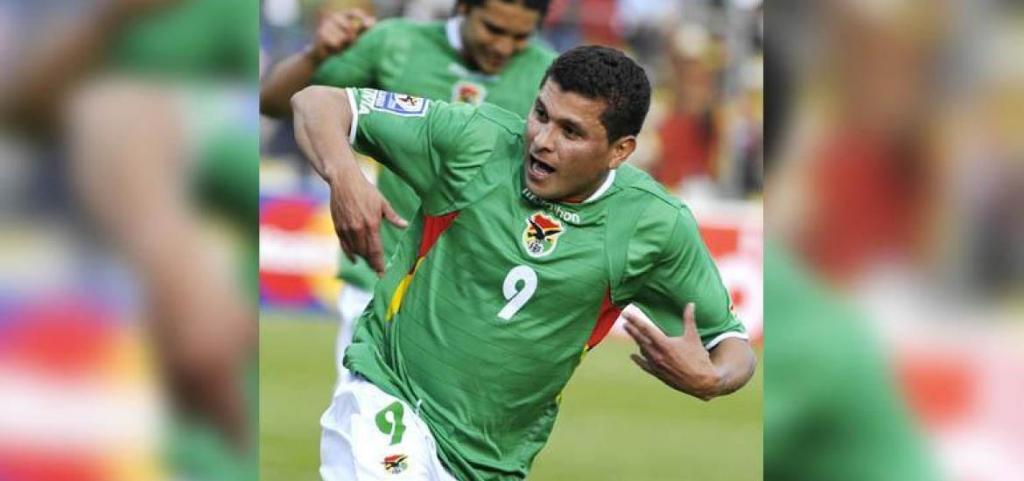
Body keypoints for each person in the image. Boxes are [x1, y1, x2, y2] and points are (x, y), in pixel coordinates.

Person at [292, 45, 757, 481]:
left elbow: (732, 343)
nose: (542, 140)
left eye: (571, 132)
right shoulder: (475, 140)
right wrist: (345, 177)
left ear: (620, 150)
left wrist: (713, 379)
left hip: (491, 461)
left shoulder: (654, 225)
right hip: (387, 395)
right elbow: (318, 103)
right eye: (541, 114)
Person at [260, 0, 557, 375]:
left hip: (477, 289)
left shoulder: (550, 77)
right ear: (464, 8)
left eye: (520, 36)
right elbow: (275, 103)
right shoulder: (394, 43)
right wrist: (315, 54)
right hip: (384, 270)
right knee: (365, 407)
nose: (503, 46)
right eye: (493, 29)